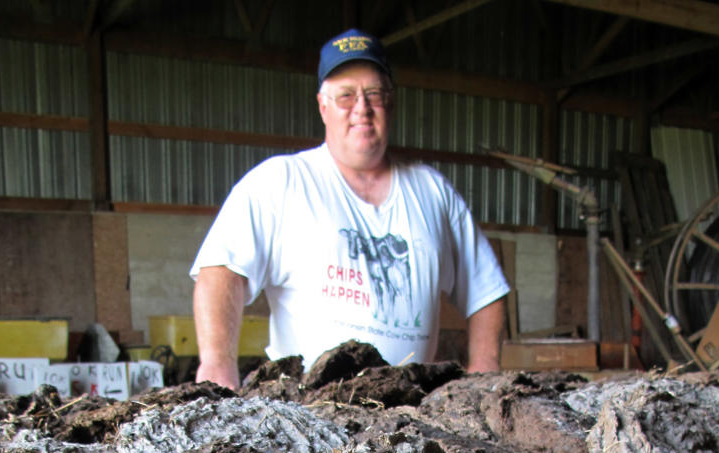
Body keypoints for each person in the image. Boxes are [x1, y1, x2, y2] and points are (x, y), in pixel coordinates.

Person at [190, 28, 509, 389]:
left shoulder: (432, 192)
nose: (362, 108)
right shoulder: (281, 182)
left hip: (410, 418)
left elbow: (486, 291)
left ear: (390, 101)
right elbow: (220, 271)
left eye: (374, 93)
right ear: (323, 106)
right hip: (309, 415)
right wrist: (217, 367)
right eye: (346, 96)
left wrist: (484, 372)